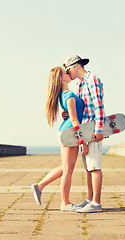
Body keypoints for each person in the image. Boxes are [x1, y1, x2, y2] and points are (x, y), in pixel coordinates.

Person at [31, 67, 88, 211]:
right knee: (68, 170)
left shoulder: (63, 95)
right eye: (66, 73)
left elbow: (71, 115)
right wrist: (82, 142)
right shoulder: (68, 95)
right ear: (62, 79)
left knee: (66, 167)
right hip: (70, 133)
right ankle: (65, 203)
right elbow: (75, 121)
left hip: (66, 131)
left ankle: (40, 186)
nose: (69, 74)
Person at [62, 55, 106, 213]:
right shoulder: (81, 85)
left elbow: (98, 106)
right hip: (85, 131)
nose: (68, 74)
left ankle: (96, 203)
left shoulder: (92, 79)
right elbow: (83, 109)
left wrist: (99, 129)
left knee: (94, 167)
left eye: (68, 70)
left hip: (94, 129)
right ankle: (90, 199)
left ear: (75, 66)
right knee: (88, 168)